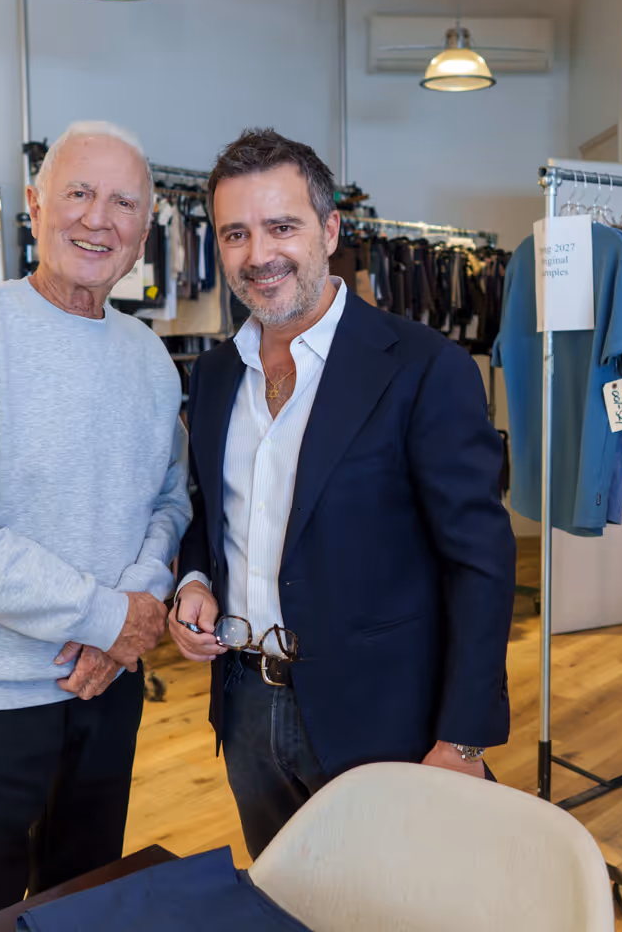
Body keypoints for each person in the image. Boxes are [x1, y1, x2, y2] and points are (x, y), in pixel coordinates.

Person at [169, 128, 516, 857]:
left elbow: (481, 564)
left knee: (395, 905)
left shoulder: (425, 368)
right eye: (236, 234)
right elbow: (214, 514)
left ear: (329, 229)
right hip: (244, 707)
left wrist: (462, 738)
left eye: (281, 226)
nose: (259, 255)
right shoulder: (213, 378)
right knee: (285, 901)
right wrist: (196, 580)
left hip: (385, 718)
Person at [0, 120, 190, 931]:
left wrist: (132, 613)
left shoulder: (150, 358)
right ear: (35, 205)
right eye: (79, 193)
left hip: (108, 692)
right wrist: (109, 619)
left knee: (86, 908)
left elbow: (169, 501)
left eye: (123, 202)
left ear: (144, 230)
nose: (99, 219)